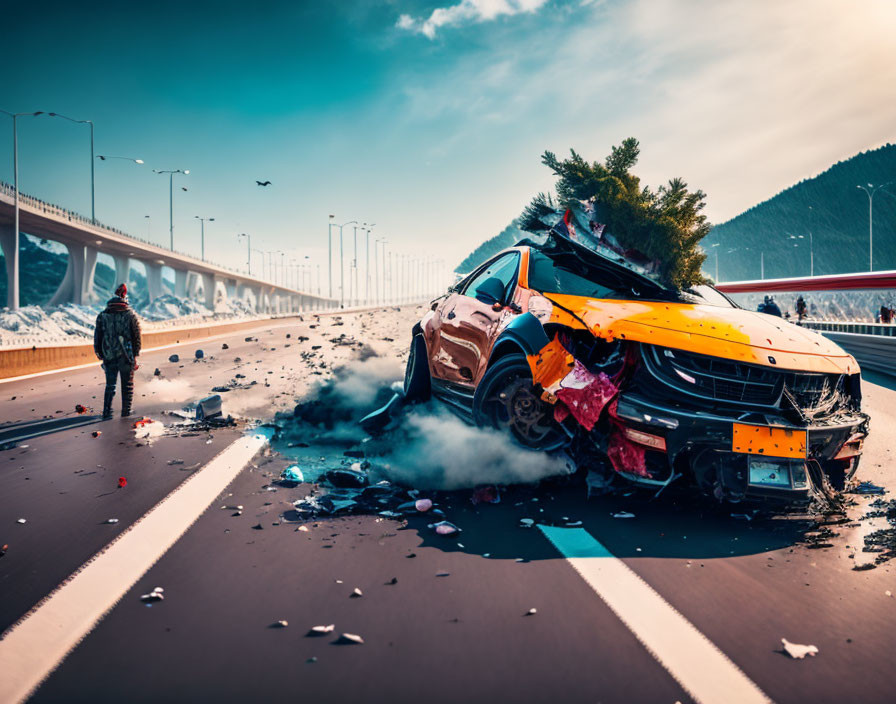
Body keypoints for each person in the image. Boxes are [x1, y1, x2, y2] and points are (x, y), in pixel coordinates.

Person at [94, 283, 142, 419]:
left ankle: (107, 411)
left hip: (108, 354)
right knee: (127, 385)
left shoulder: (102, 316)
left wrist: (99, 353)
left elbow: (98, 336)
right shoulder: (130, 315)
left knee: (110, 385)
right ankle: (126, 411)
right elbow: (136, 337)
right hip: (126, 355)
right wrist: (135, 354)